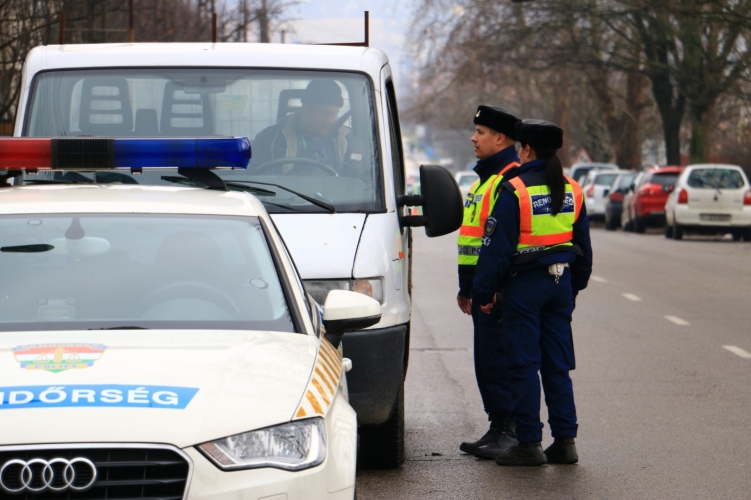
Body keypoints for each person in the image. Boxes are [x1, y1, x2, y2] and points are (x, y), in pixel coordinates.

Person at [473, 119, 592, 466]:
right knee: (557, 365)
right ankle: (565, 441)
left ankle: (529, 444)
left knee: (523, 364)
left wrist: (484, 292)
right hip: (561, 285)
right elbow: (582, 246)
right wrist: (574, 287)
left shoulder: (515, 190)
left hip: (524, 286)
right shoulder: (573, 189)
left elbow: (496, 249)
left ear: (525, 149)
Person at [457, 105, 521, 459]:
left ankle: (509, 430)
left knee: (498, 360)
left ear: (500, 139)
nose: (473, 137)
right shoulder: (487, 178)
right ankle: (497, 426)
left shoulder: (508, 178)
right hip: (481, 288)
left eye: (480, 132)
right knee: (486, 361)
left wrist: (488, 288)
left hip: (496, 290)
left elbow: (499, 244)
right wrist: (466, 286)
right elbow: (472, 240)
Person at [252, 79, 369, 177]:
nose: (330, 121)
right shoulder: (269, 140)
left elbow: (367, 181)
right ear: (306, 109)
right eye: (325, 113)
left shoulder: (349, 142)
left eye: (334, 114)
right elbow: (257, 178)